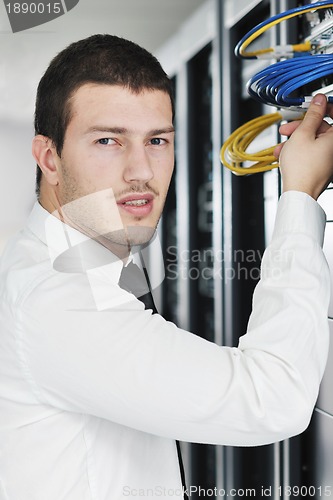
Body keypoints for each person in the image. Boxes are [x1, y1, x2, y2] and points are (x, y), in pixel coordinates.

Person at [0, 33, 332, 500]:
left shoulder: (89, 262)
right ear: (49, 158)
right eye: (108, 140)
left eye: (157, 140)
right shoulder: (59, 299)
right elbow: (271, 399)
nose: (141, 170)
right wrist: (299, 197)